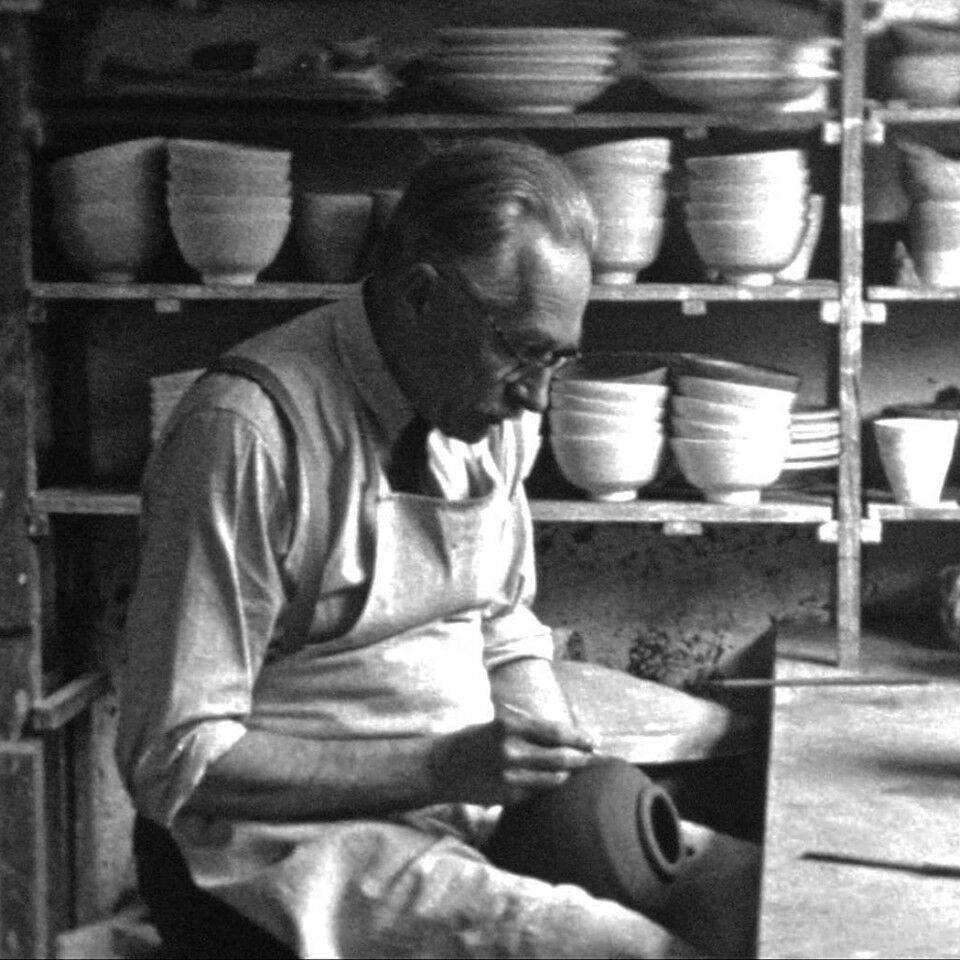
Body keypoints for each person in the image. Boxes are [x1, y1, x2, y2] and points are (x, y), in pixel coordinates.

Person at [115, 137, 754, 959]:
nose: (537, 396)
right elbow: (174, 758)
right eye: (523, 351)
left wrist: (547, 752)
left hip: (461, 803)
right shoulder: (248, 434)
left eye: (559, 358)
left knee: (754, 901)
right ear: (420, 297)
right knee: (634, 954)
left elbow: (503, 618)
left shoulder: (487, 417)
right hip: (273, 841)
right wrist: (443, 767)